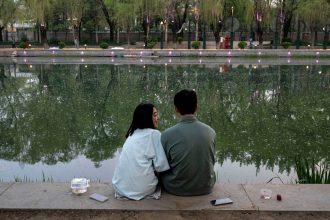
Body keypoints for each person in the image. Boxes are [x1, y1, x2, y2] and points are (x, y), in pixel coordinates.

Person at [160, 89, 216, 196]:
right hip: (206, 187)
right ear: (196, 107)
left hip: (176, 188)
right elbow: (211, 161)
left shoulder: (167, 134)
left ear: (176, 109)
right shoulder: (210, 131)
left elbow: (163, 165)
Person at [112, 103, 169, 200]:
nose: (158, 117)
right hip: (142, 189)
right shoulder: (154, 134)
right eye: (155, 115)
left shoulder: (131, 135)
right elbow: (161, 167)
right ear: (146, 117)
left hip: (120, 187)